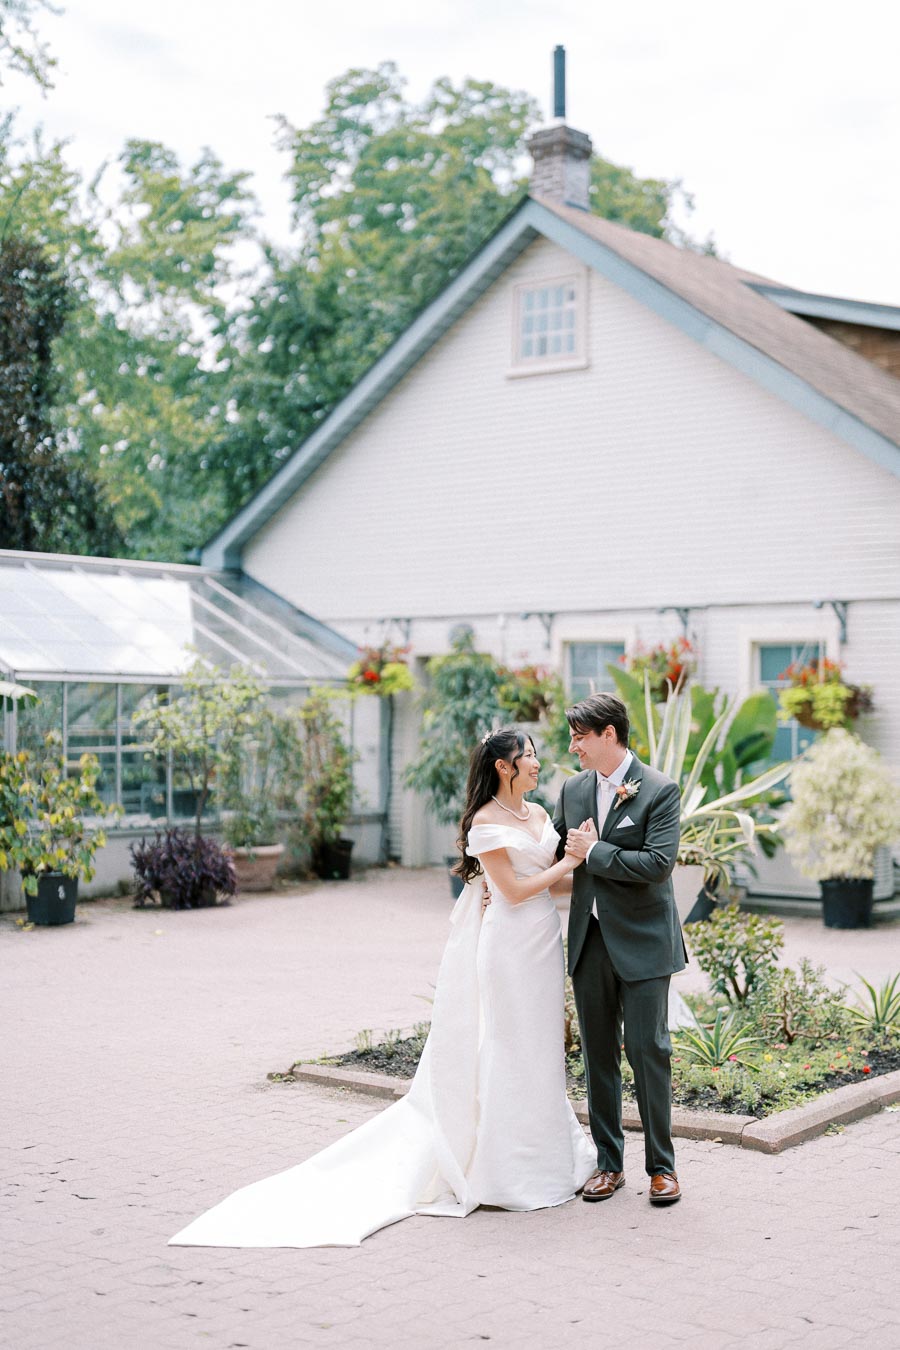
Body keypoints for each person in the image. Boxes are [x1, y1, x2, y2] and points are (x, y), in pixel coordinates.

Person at [169, 728, 595, 1249]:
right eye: (528, 757)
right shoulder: (485, 823)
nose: (536, 763)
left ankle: (545, 1156)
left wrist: (590, 862)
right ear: (504, 767)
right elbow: (511, 890)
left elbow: (552, 883)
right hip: (507, 949)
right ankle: (505, 1169)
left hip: (542, 946)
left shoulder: (537, 816)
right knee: (506, 1047)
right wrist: (571, 860)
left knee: (539, 1048)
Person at [553, 692, 686, 1206]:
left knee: (649, 1051)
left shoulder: (659, 790)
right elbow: (561, 853)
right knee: (597, 1054)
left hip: (646, 944)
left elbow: (657, 865)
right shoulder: (573, 789)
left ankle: (663, 1168)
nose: (574, 746)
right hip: (590, 943)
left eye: (580, 736)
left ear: (609, 734)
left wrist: (597, 852)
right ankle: (609, 1165)